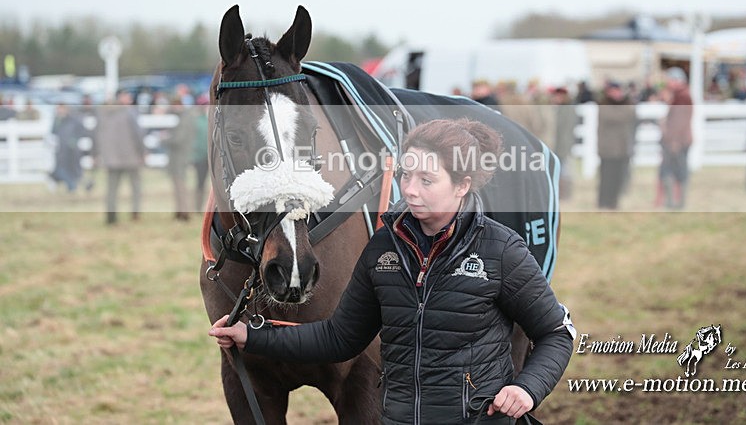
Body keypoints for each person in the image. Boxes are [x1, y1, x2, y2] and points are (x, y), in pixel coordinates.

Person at [209, 118, 575, 423]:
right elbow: (340, 337)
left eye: (426, 181)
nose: (410, 190)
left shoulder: (501, 250)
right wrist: (252, 337)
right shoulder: (384, 248)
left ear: (462, 185)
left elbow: (556, 334)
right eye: (406, 176)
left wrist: (527, 388)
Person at [93, 91, 147, 224]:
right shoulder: (129, 112)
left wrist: (95, 153)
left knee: (112, 189)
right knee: (135, 186)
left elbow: (96, 135)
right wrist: (143, 152)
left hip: (112, 158)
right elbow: (137, 134)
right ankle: (135, 213)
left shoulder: (103, 114)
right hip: (130, 156)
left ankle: (111, 217)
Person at [656, 67, 693, 209]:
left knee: (674, 171)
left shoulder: (682, 96)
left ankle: (676, 202)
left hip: (677, 141)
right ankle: (673, 201)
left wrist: (674, 140)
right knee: (671, 171)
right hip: (677, 140)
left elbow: (680, 121)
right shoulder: (679, 96)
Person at [597, 82, 636, 209]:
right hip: (608, 149)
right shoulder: (604, 104)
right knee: (606, 178)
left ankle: (613, 202)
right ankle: (603, 202)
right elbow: (618, 116)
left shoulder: (623, 104)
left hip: (621, 149)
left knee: (618, 178)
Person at [162, 97, 195, 221]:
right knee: (178, 185)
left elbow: (178, 139)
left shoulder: (184, 118)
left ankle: (184, 212)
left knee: (180, 186)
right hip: (179, 157)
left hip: (180, 157)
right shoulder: (183, 117)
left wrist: (164, 139)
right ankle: (180, 211)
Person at [49, 104, 86, 192]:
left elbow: (81, 130)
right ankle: (71, 186)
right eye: (58, 109)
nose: (60, 111)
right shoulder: (57, 120)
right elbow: (53, 132)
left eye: (61, 109)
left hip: (72, 150)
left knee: (73, 169)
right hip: (61, 150)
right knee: (61, 169)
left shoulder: (74, 119)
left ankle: (73, 186)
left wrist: (75, 140)